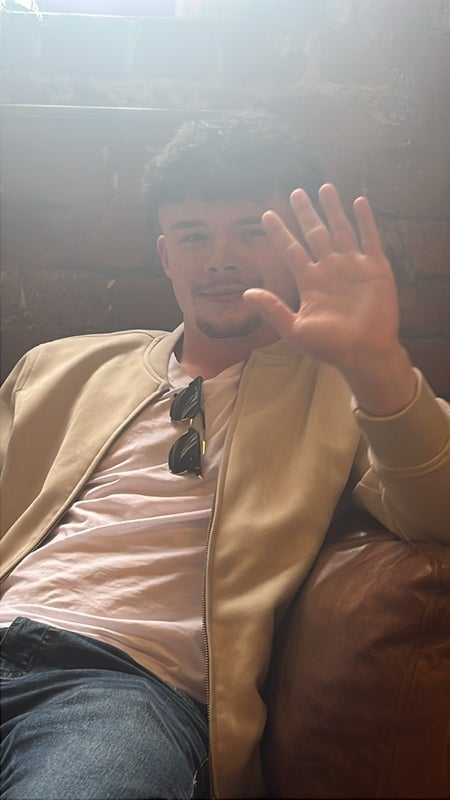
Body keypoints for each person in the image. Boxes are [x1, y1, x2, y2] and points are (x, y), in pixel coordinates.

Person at [0, 113, 449, 800]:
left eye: (252, 231)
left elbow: (438, 511)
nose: (220, 259)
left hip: (119, 685)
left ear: (296, 246)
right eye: (193, 236)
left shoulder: (344, 389)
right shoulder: (60, 368)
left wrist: (379, 366)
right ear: (165, 254)